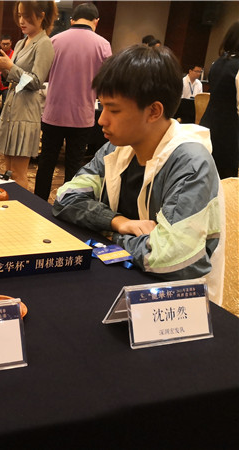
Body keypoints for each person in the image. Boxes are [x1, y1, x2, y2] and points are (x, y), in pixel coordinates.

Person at [53, 45, 225, 305]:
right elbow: (66, 198)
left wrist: (107, 237)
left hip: (176, 304)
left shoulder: (190, 163)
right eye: (102, 106)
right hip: (125, 283)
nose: (102, 120)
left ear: (154, 111)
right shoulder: (117, 149)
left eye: (114, 110)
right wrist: (118, 221)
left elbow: (169, 258)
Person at [34, 2, 111, 200]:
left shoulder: (54, 40)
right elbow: (107, 81)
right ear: (96, 21)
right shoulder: (103, 44)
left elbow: (43, 74)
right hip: (82, 116)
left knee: (46, 163)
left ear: (72, 20)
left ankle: (38, 205)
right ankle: (68, 206)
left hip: (53, 114)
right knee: (74, 167)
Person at [0, 1, 57, 189]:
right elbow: (13, 78)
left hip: (25, 113)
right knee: (8, 171)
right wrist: (4, 68)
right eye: (19, 15)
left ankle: (20, 206)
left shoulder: (44, 44)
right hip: (11, 110)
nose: (21, 21)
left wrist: (11, 67)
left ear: (41, 16)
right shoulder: (20, 43)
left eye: (26, 16)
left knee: (18, 174)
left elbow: (36, 81)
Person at [200, 21, 239, 179]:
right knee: (225, 180)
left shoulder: (217, 62)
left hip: (209, 125)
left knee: (205, 175)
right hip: (229, 133)